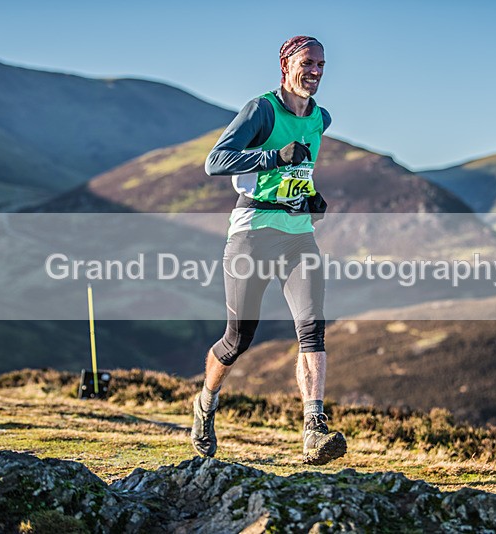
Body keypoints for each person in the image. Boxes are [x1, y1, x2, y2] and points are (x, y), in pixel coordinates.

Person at [192, 35, 346, 465]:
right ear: (285, 66)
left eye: (321, 64)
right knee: (238, 339)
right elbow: (215, 162)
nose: (314, 71)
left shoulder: (321, 118)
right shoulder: (261, 110)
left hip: (297, 234)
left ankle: (314, 429)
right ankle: (205, 403)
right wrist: (272, 157)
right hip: (252, 232)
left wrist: (310, 194)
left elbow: (303, 167)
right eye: (307, 63)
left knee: (313, 329)